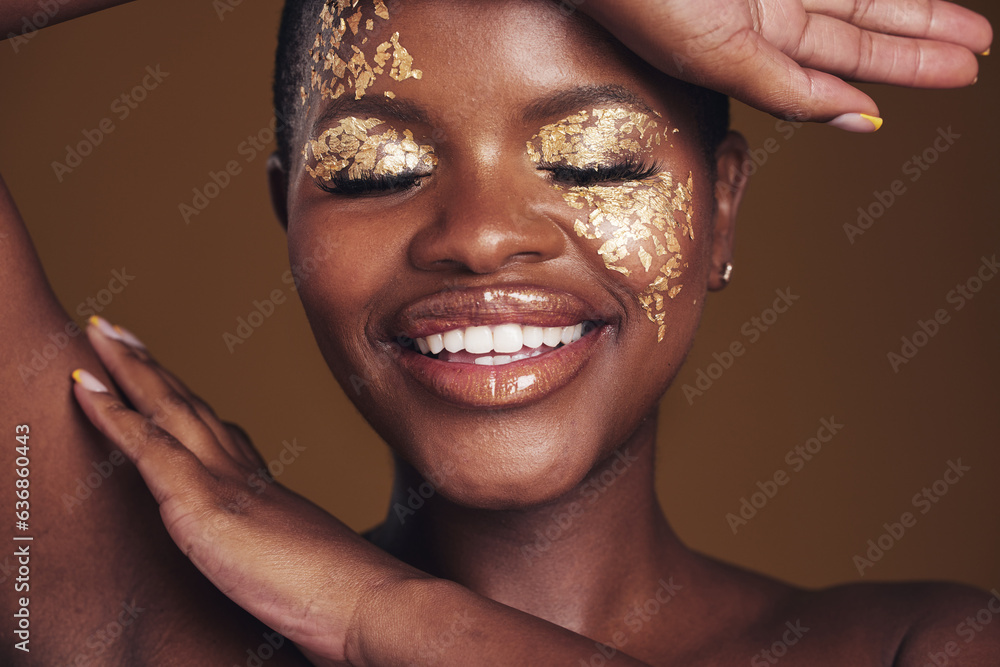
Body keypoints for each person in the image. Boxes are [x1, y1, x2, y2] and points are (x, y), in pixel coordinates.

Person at [1, 0, 994, 665]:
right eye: (372, 168)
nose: (479, 235)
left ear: (722, 210)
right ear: (287, 219)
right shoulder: (135, 620)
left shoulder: (927, 645)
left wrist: (386, 619)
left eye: (595, 159)